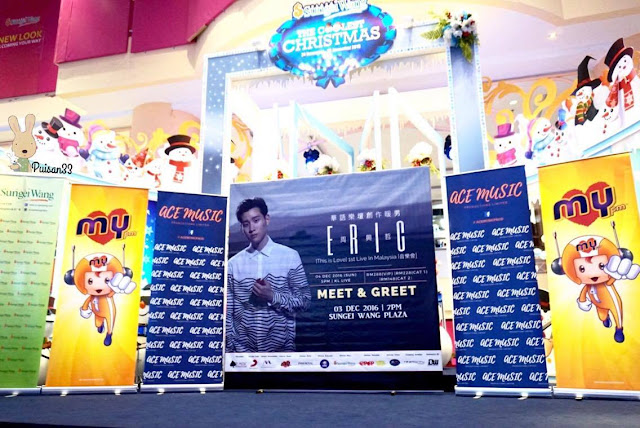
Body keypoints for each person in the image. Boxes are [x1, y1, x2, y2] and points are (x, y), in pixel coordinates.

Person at [226, 197, 311, 352]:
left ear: (267, 219)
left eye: (256, 220)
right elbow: (228, 314)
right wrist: (230, 351)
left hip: (281, 354)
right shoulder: (233, 264)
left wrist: (272, 296)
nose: (251, 228)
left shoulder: (289, 256)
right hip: (242, 354)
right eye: (246, 224)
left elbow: (304, 302)